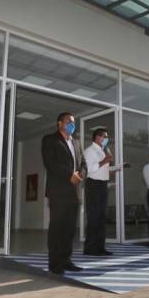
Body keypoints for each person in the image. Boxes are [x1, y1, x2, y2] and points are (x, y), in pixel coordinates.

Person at [41, 112, 86, 274]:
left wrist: (80, 174)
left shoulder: (77, 143)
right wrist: (69, 175)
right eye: (69, 121)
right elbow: (49, 163)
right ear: (60, 123)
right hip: (58, 191)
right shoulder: (49, 140)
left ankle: (66, 260)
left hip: (74, 192)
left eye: (73, 122)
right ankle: (55, 264)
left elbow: (83, 163)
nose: (72, 124)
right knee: (57, 228)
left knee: (69, 228)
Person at [83, 128, 121, 256]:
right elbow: (89, 169)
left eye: (107, 137)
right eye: (104, 136)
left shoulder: (103, 151)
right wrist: (105, 161)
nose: (106, 139)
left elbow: (102, 168)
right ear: (97, 137)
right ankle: (90, 248)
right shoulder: (89, 151)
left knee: (101, 218)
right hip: (93, 184)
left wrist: (114, 168)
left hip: (102, 184)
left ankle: (100, 247)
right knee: (93, 217)